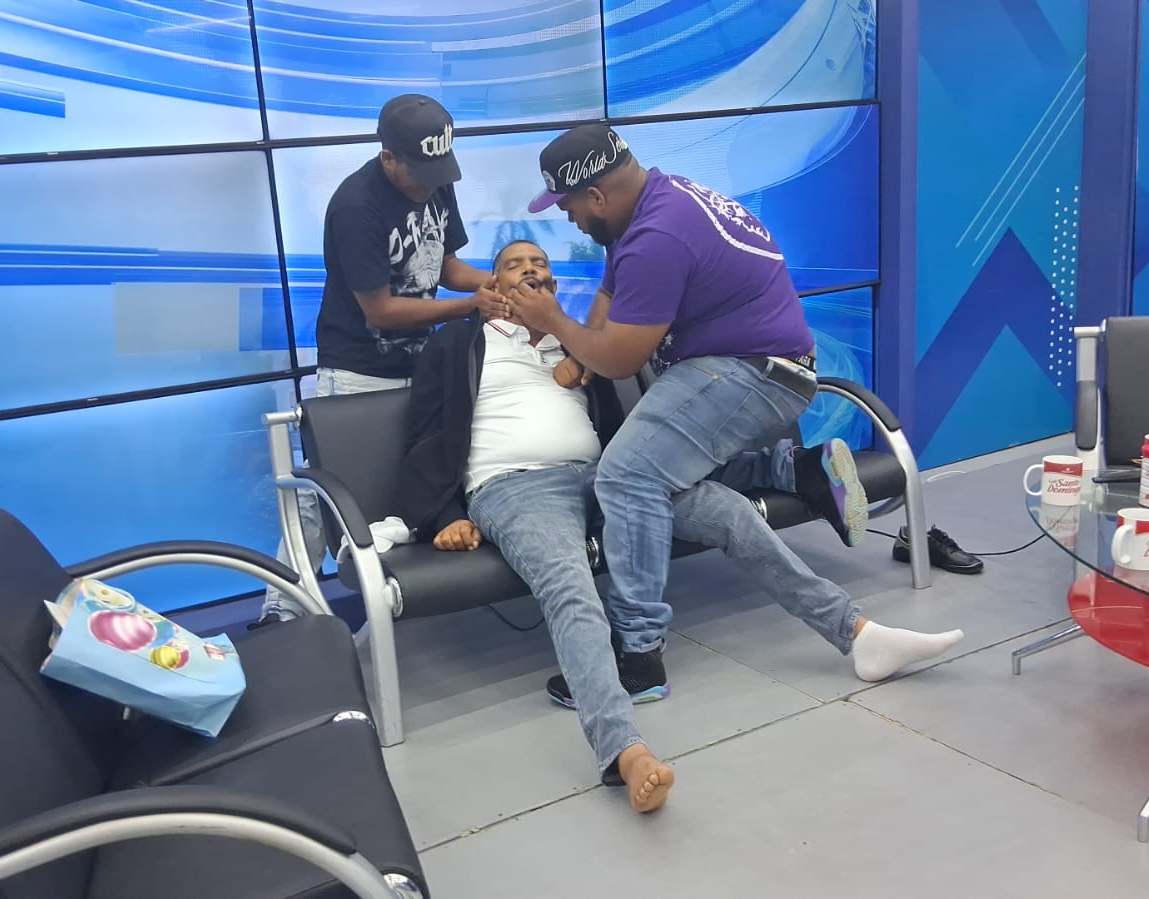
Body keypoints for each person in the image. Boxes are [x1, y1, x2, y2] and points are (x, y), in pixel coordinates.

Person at [397, 239, 963, 813]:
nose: (529, 270)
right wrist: (447, 515)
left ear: (554, 284)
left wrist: (573, 346)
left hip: (603, 475)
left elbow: (629, 423)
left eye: (540, 264)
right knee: (570, 585)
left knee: (728, 510)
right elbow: (424, 437)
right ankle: (624, 751)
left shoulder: (577, 341)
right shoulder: (458, 345)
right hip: (514, 486)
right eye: (514, 265)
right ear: (491, 284)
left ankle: (858, 634)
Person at [504, 125, 963, 693]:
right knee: (692, 498)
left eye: (567, 205)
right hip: (762, 367)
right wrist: (583, 351)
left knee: (624, 477)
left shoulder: (657, 236)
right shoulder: (655, 202)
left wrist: (553, 321)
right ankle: (851, 616)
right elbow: (609, 294)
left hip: (747, 372)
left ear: (596, 196)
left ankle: (637, 653)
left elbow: (622, 360)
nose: (567, 218)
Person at [277, 94, 509, 594]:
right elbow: (379, 310)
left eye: (439, 172)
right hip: (359, 369)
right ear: (388, 158)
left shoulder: (436, 180)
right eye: (421, 174)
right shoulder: (355, 205)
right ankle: (284, 606)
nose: (430, 185)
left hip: (421, 364)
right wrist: (468, 307)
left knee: (422, 472)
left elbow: (446, 266)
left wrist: (497, 283)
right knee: (330, 496)